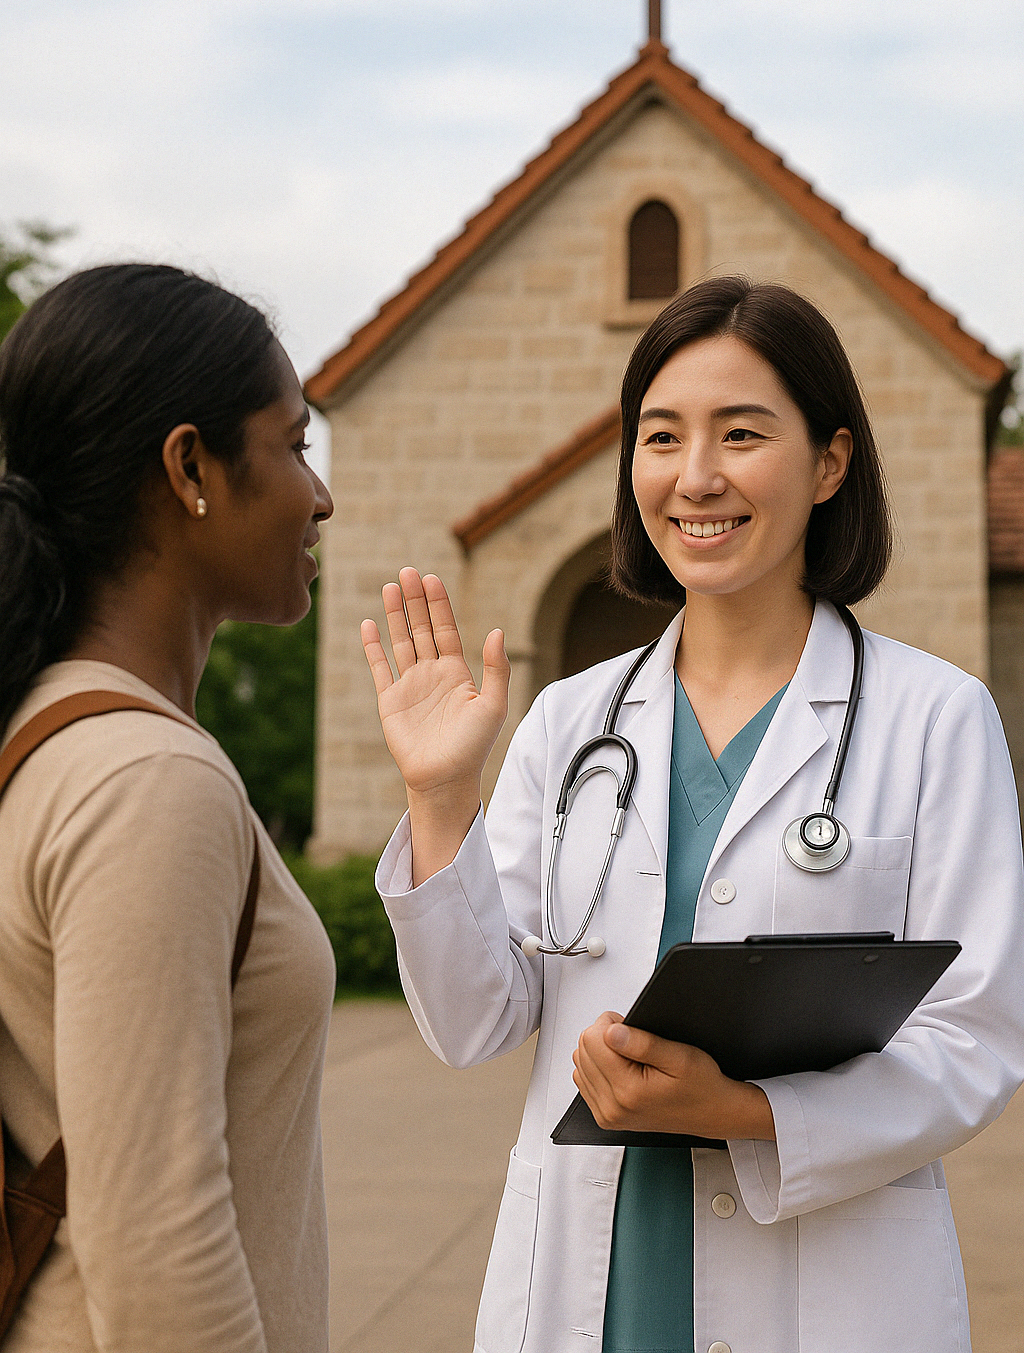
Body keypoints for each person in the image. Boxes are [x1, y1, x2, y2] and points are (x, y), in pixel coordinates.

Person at [363, 276, 1024, 1353]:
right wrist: (440, 800)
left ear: (829, 462)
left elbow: (975, 1037)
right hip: (598, 1284)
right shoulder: (569, 722)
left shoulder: (934, 718)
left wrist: (748, 1117)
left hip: (830, 1288)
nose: (696, 477)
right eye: (660, 437)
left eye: (741, 433)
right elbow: (473, 1021)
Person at [0, 263, 335, 1353]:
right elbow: (159, 1260)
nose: (319, 495)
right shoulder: (148, 783)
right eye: (292, 445)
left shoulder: (44, 733)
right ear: (191, 466)